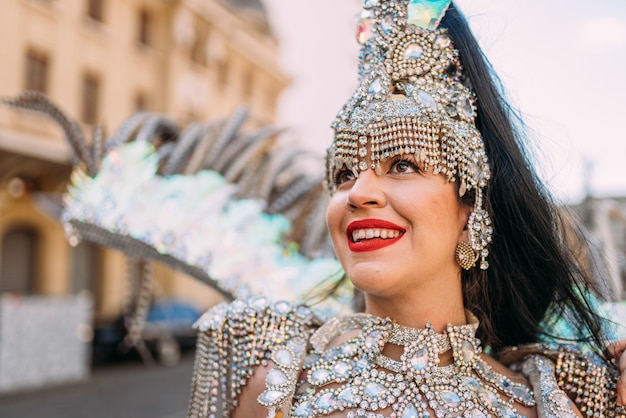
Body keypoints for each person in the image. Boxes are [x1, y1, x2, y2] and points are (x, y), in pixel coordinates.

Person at [186, 1, 625, 416]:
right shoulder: (271, 376)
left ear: (470, 210)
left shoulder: (557, 399)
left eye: (402, 163)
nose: (358, 193)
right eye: (343, 174)